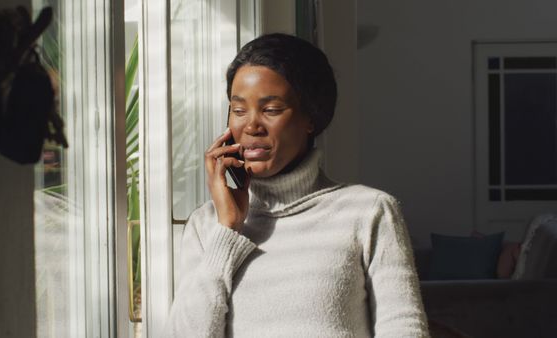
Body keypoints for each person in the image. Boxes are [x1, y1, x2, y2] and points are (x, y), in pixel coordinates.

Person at [164, 33, 430, 337]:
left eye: (271, 110)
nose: (251, 126)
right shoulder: (207, 225)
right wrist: (228, 229)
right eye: (238, 110)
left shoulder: (369, 211)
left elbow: (404, 329)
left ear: (311, 117)